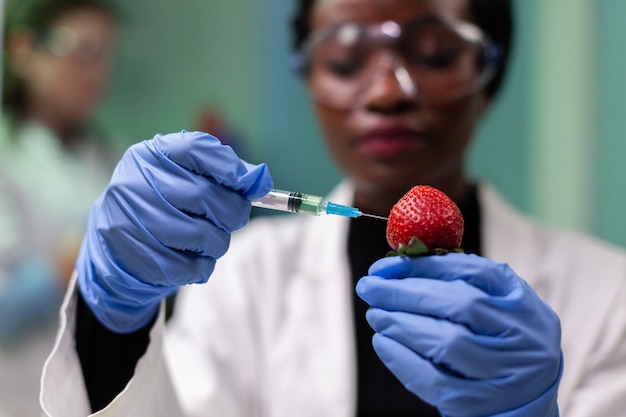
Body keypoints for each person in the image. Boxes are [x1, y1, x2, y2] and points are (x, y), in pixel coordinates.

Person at [40, 0, 626, 416]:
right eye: (345, 60)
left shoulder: (610, 294)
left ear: (488, 74)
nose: (387, 91)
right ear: (309, 77)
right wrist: (112, 319)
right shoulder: (241, 276)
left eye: (435, 54)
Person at [0, 0, 119, 415]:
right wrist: (77, 257)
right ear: (23, 49)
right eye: (81, 51)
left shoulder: (102, 155)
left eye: (105, 55)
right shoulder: (7, 155)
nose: (96, 74)